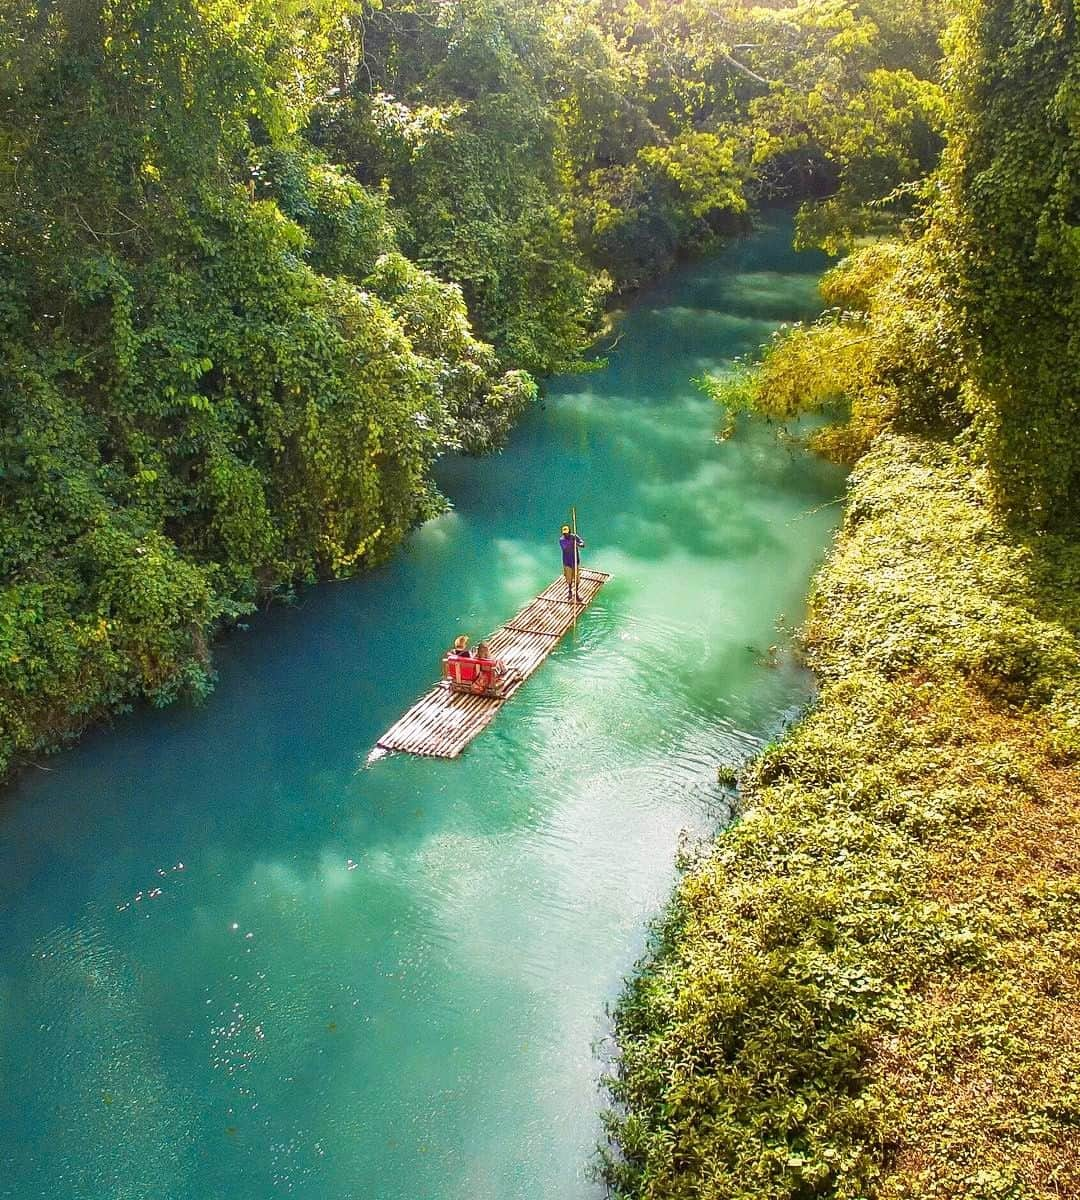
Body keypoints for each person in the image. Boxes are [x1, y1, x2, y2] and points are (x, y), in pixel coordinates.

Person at [559, 523, 585, 602]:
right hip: (567, 563)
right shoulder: (562, 540)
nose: (566, 534)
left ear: (569, 532)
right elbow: (565, 548)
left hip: (575, 561)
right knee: (569, 579)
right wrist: (572, 543)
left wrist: (578, 543)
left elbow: (583, 544)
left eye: (567, 533)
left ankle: (576, 593)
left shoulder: (574, 536)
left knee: (577, 580)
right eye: (564, 533)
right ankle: (570, 591)